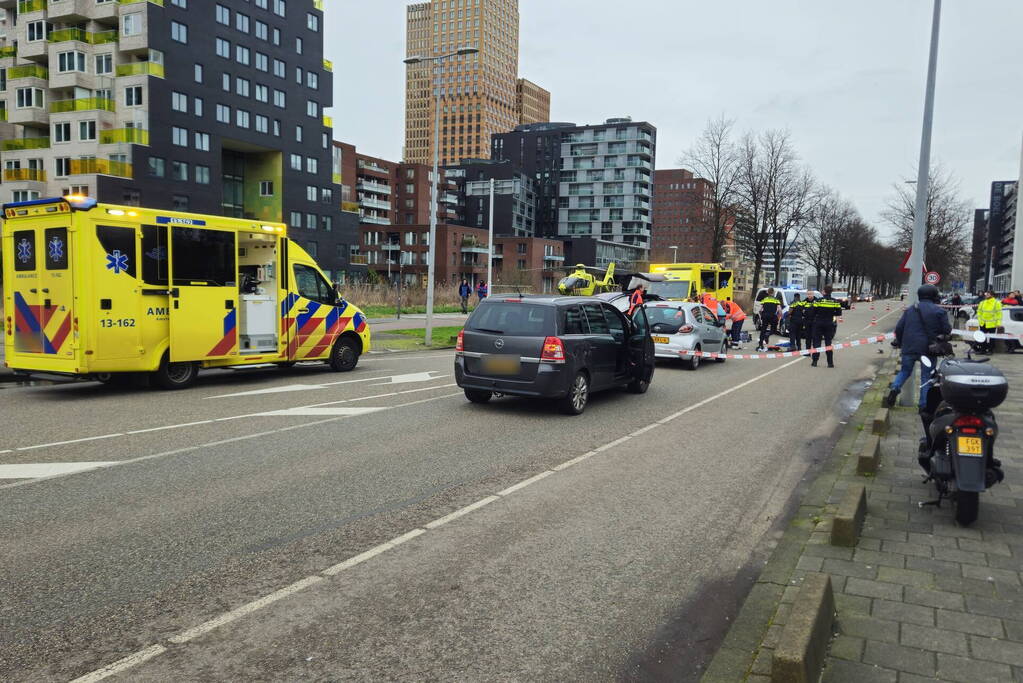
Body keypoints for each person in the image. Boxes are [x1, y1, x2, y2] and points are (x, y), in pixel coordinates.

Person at [883, 284, 952, 410]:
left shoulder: (910, 310)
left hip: (909, 348)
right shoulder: (940, 311)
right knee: (926, 377)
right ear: (934, 296)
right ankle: (923, 405)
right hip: (928, 350)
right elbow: (947, 330)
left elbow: (899, 328)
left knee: (905, 371)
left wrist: (899, 341)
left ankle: (895, 388)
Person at [810, 285, 843, 367]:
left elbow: (813, 312)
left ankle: (814, 362)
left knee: (817, 343)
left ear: (824, 291)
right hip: (829, 324)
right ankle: (830, 363)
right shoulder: (835, 302)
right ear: (831, 292)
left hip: (818, 323)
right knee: (828, 343)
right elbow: (839, 313)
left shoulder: (818, 301)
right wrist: (831, 314)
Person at [976, 289, 1002, 354]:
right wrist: (980, 320)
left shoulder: (997, 303)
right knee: (982, 337)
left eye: (988, 294)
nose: (986, 295)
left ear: (992, 295)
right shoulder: (982, 303)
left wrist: (998, 323)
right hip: (983, 323)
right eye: (986, 294)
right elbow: (979, 312)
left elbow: (999, 314)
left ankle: (990, 350)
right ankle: (982, 350)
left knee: (991, 338)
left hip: (992, 324)